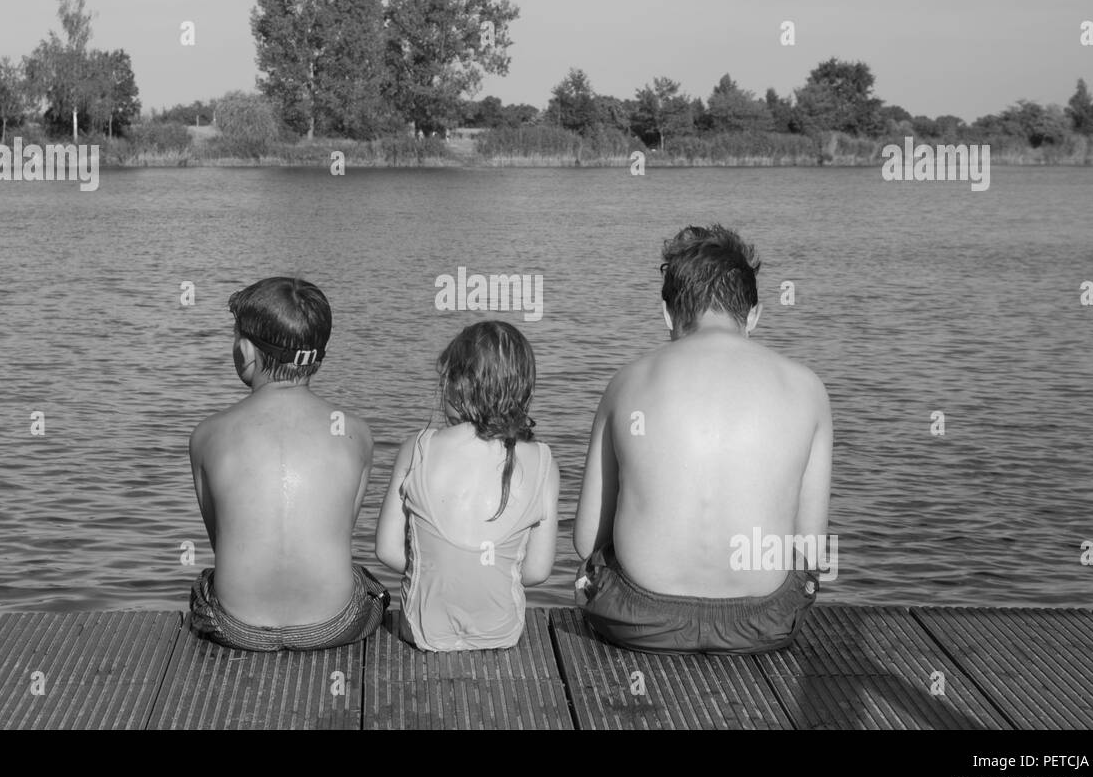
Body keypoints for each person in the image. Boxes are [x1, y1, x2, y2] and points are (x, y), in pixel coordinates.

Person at [573, 225, 832, 654]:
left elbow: (586, 541)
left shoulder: (628, 382)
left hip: (638, 621)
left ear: (667, 314)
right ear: (753, 315)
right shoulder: (806, 388)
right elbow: (811, 550)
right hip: (763, 623)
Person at [187, 276, 388, 651]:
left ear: (245, 352)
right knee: (368, 585)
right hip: (332, 625)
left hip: (237, 627)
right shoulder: (356, 433)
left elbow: (222, 541)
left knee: (204, 585)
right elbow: (339, 533)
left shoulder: (207, 435)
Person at [376, 321, 559, 651]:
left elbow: (386, 550)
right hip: (502, 631)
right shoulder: (543, 461)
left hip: (422, 630)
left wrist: (439, 569)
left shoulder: (417, 447)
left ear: (457, 385)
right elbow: (538, 570)